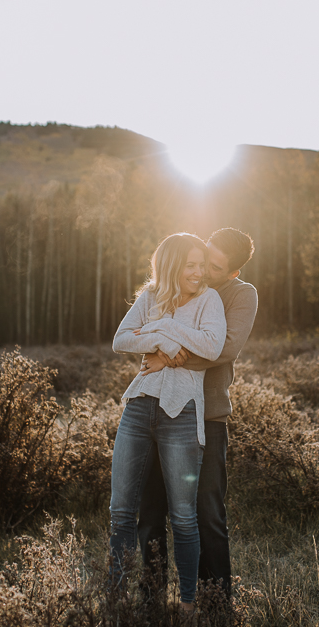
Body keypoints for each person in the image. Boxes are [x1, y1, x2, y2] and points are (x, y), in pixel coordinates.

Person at [109, 232, 227, 613]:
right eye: (190, 265)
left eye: (200, 265)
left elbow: (211, 346)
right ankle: (118, 599)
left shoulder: (210, 299)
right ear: (174, 266)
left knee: (183, 515)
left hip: (181, 413)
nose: (198, 272)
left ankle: (189, 603)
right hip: (139, 408)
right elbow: (121, 340)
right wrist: (163, 340)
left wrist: (162, 331)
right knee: (122, 511)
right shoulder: (149, 297)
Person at [137, 228, 257, 600]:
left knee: (207, 514)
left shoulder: (241, 294)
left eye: (215, 267)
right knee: (151, 512)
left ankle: (215, 604)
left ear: (232, 273)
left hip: (207, 416)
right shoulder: (180, 279)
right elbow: (144, 330)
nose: (203, 269)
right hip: (158, 410)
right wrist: (153, 348)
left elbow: (225, 348)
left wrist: (168, 356)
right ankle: (150, 604)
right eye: (205, 255)